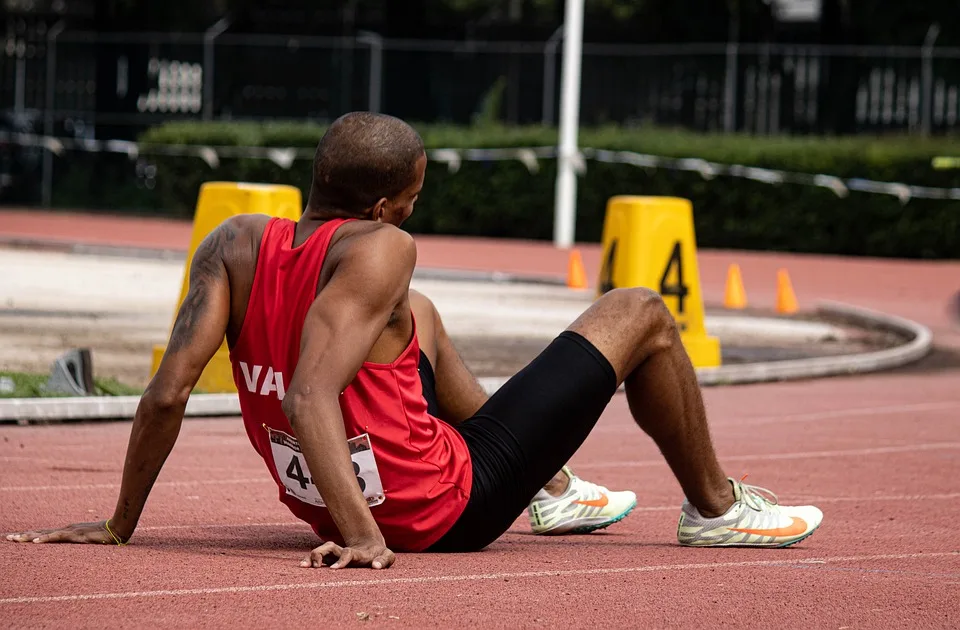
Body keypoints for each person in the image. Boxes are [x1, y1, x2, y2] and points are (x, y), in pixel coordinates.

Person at [6, 112, 823, 569]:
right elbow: (308, 391)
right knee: (642, 309)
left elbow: (169, 390)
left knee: (413, 315)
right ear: (390, 205)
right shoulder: (385, 248)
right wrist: (366, 538)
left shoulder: (234, 244)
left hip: (314, 495)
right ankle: (715, 508)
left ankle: (560, 488)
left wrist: (119, 524)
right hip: (441, 510)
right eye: (416, 196)